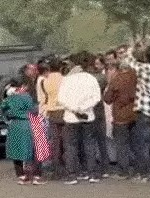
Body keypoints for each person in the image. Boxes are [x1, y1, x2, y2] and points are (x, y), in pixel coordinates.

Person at [57, 51, 102, 185]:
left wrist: (75, 109)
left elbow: (61, 99)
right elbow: (96, 98)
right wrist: (84, 108)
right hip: (88, 116)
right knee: (89, 145)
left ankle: (72, 174)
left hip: (71, 117)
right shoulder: (91, 78)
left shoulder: (67, 80)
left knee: (71, 146)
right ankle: (92, 173)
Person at [125, 44, 150, 181]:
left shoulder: (143, 68)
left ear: (146, 57)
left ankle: (144, 172)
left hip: (145, 109)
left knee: (143, 143)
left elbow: (129, 60)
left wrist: (131, 48)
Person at [0, 79, 42, 185]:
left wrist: (6, 119)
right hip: (30, 123)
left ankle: (21, 176)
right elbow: (34, 109)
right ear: (22, 86)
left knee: (16, 150)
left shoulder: (9, 99)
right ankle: (35, 175)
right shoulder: (27, 97)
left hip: (15, 125)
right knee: (34, 149)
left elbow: (1, 110)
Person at [104, 61, 138, 179]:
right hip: (134, 113)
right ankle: (139, 167)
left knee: (121, 144)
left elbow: (107, 99)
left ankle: (124, 170)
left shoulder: (116, 80)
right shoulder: (134, 76)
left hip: (120, 115)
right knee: (135, 142)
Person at [39, 57, 66, 179]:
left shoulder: (45, 81)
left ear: (49, 68)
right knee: (67, 142)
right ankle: (69, 168)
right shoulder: (65, 79)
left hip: (52, 113)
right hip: (64, 111)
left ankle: (56, 170)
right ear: (60, 67)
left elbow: (45, 97)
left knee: (55, 142)